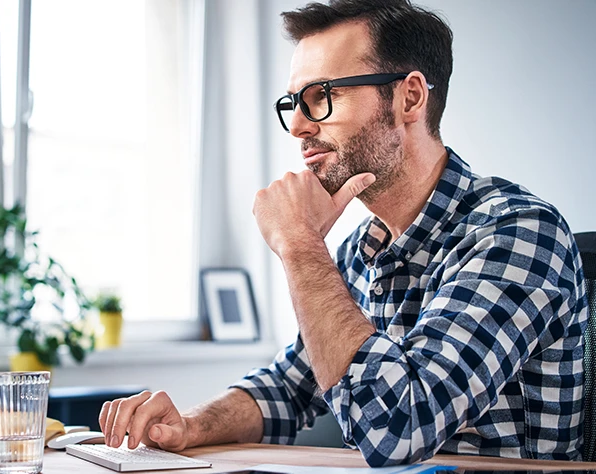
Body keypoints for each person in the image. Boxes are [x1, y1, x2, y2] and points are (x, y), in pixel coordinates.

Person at [99, 0, 587, 466]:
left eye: (321, 97)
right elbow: (289, 387)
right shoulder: (362, 249)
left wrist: (298, 244)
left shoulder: (516, 231)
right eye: (294, 102)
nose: (297, 126)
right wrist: (189, 425)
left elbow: (398, 426)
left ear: (409, 97)